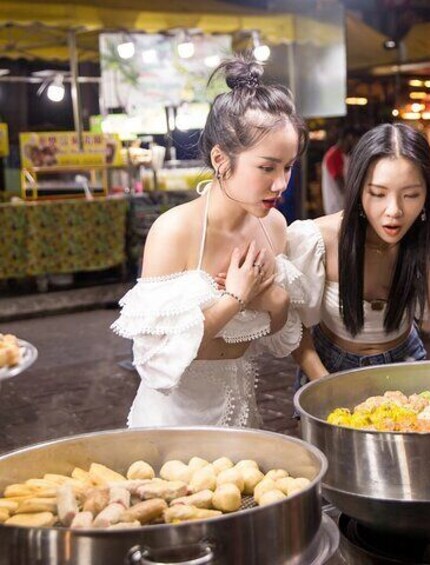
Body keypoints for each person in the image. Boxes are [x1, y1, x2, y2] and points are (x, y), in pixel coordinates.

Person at [111, 55, 316, 428]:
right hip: (172, 420)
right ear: (221, 159)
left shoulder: (275, 226)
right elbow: (156, 361)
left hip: (241, 413)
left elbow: (277, 337)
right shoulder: (174, 231)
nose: (281, 184)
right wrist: (235, 299)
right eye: (267, 167)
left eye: (288, 167)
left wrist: (277, 302)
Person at [288, 123, 430, 383]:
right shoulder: (318, 238)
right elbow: (293, 325)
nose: (394, 210)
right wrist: (323, 381)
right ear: (358, 189)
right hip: (330, 369)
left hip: (406, 362)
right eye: (378, 194)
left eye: (411, 195)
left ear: (428, 192)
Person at [321, 126, 360, 215]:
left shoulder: (345, 155)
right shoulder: (334, 155)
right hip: (336, 207)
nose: (356, 144)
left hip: (343, 206)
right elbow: (341, 184)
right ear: (349, 138)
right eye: (355, 141)